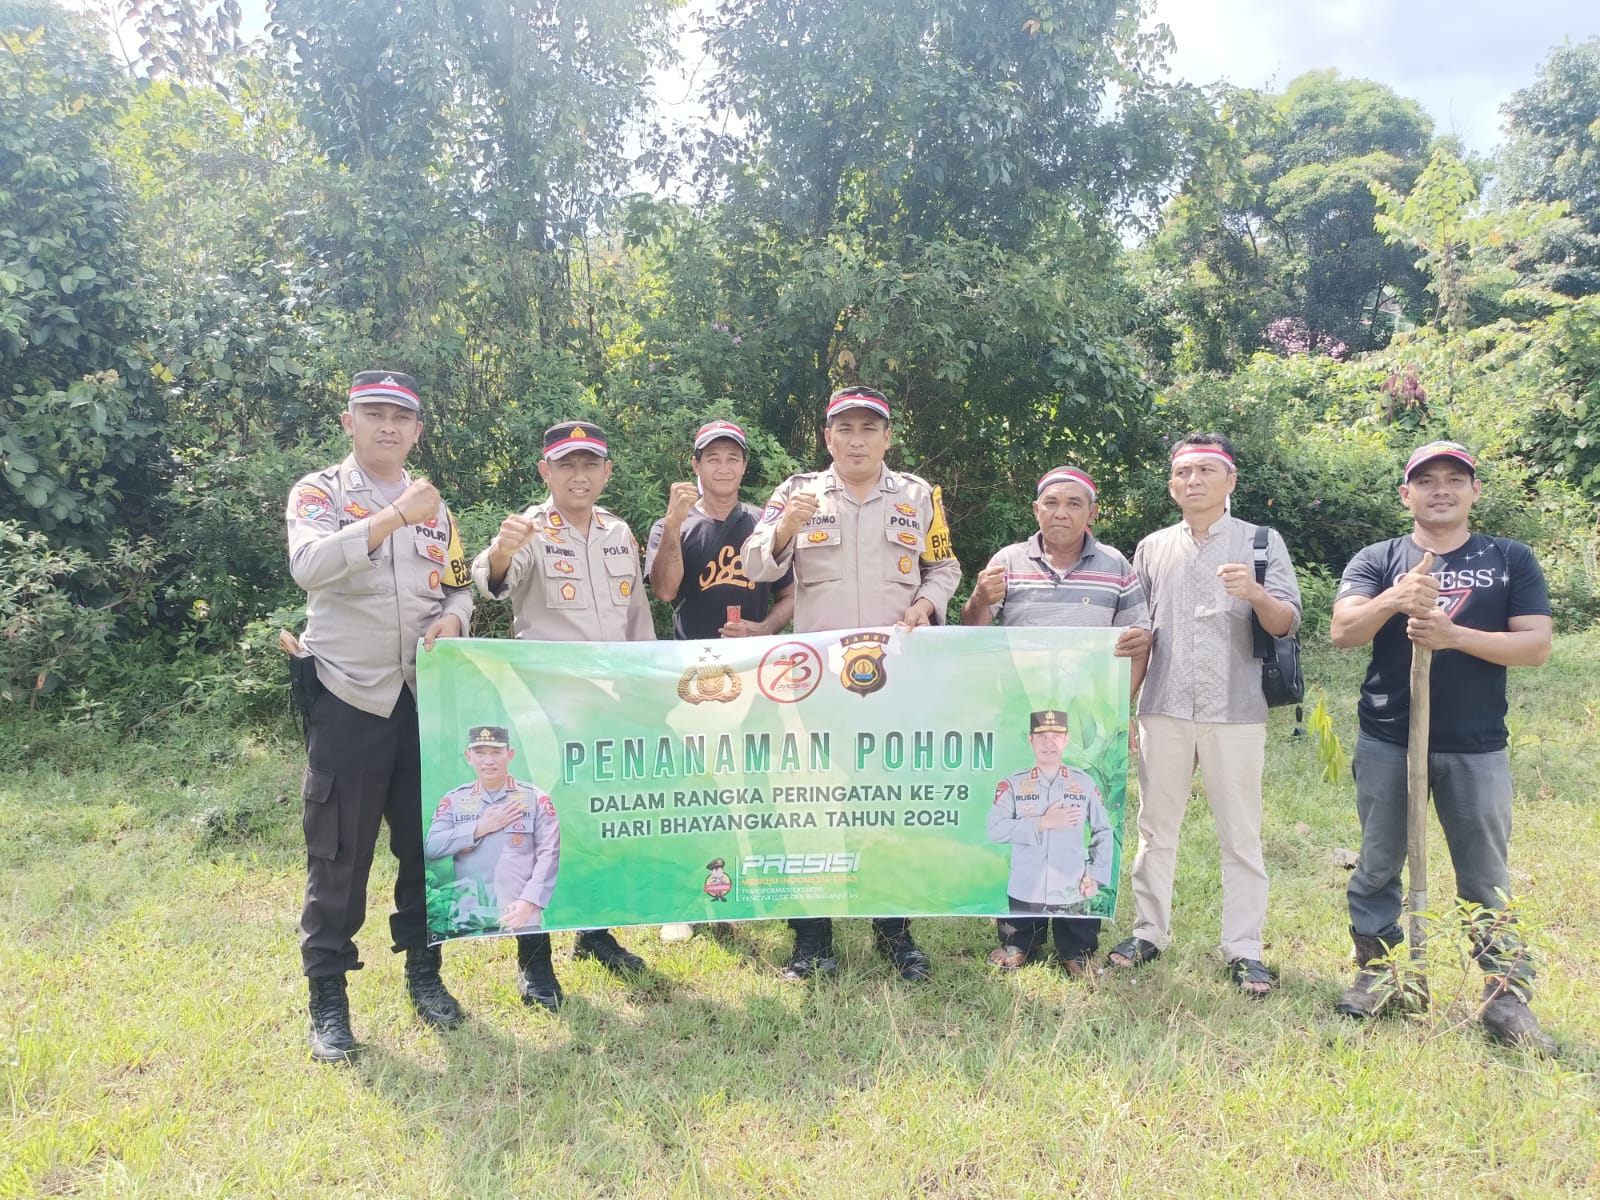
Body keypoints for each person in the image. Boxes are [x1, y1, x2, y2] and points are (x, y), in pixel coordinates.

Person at [1329, 441, 1557, 1052]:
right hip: (1388, 740)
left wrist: (1454, 635)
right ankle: (1381, 976)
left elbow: (1535, 646)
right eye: (1425, 481)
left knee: (1486, 877)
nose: (1441, 490)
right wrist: (1393, 598)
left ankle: (1504, 996)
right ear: (1406, 495)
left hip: (1476, 745)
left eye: (1455, 479)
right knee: (1377, 867)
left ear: (1474, 491)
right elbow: (1343, 632)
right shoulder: (1379, 559)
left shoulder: (1509, 559)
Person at [743, 385, 961, 981]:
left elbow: (944, 565)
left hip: (894, 680)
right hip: (816, 687)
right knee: (812, 804)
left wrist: (927, 602)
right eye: (846, 428)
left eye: (870, 428)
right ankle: (813, 940)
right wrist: (786, 528)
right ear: (827, 436)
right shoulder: (795, 493)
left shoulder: (919, 496)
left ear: (887, 437)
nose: (857, 439)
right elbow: (754, 565)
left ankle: (895, 933)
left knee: (888, 803)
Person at [285, 369, 471, 1064]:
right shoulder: (321, 493)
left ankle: (426, 976)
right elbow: (308, 566)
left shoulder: (439, 509)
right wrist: (394, 516)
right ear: (349, 422)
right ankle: (328, 998)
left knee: (428, 849)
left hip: (422, 699)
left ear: (417, 430)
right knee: (339, 853)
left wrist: (455, 618)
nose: (387, 426)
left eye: (401, 417)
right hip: (348, 695)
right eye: (374, 414)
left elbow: (457, 589)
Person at [1111, 433, 1301, 997]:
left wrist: (1256, 593)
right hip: (1164, 705)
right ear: (1172, 483)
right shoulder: (1150, 548)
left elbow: (1286, 623)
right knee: (1154, 828)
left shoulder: (1260, 543)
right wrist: (1124, 705)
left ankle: (1244, 950)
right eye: (1182, 473)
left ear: (1230, 480)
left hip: (1236, 708)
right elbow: (1142, 635)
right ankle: (1149, 932)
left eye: (1204, 472)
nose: (1192, 481)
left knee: (1240, 835)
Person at [471, 420, 654, 1007]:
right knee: (540, 833)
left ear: (605, 472)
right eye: (566, 465)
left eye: (590, 464)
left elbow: (638, 620)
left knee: (599, 824)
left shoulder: (619, 532)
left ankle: (595, 935)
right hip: (548, 711)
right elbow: (492, 582)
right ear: (545, 472)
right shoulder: (529, 529)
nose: (579, 475)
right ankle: (534, 959)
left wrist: (647, 690)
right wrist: (501, 552)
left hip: (611, 710)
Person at [961, 465, 1150, 975]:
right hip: (1021, 718)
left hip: (1086, 725)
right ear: (1036, 510)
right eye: (1051, 503)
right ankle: (1018, 937)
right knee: (1025, 823)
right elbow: (971, 632)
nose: (1060, 512)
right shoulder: (1007, 562)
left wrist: (1117, 711)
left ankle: (1076, 945)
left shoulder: (1115, 566)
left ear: (1091, 512)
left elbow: (1139, 642)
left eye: (1073, 504)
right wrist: (981, 596)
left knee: (1080, 826)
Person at [645, 418, 795, 942]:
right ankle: (691, 900)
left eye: (733, 457)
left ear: (744, 466)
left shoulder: (763, 522)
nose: (724, 466)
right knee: (695, 791)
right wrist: (670, 523)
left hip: (754, 673)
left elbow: (789, 598)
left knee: (758, 785)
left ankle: (765, 893)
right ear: (696, 465)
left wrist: (764, 628)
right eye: (713, 457)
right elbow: (665, 592)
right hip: (693, 676)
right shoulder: (676, 522)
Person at [424, 726, 563, 1010]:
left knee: (532, 930)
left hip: (522, 907)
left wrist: (529, 900)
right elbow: (432, 847)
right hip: (469, 908)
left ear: (509, 755)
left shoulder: (535, 799)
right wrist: (478, 828)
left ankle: (536, 970)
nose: (489, 760)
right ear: (468, 757)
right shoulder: (454, 800)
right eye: (480, 753)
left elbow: (549, 853)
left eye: (496, 752)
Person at [986, 710, 1116, 971]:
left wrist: (1095, 874)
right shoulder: (1014, 783)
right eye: (1041, 736)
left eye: (1056, 736)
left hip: (1072, 884)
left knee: (1077, 946)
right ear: (1031, 741)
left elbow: (1103, 830)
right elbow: (994, 829)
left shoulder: (1084, 783)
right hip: (1026, 884)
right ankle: (1019, 944)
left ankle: (1076, 952)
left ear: (1066, 740)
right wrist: (1042, 822)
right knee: (1019, 936)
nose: (1049, 743)